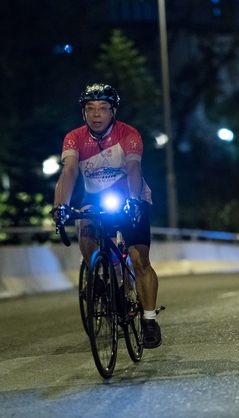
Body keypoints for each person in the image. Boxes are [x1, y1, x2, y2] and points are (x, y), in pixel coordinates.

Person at [52, 83, 162, 348]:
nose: (96, 114)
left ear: (113, 111)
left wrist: (134, 200)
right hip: (95, 196)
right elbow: (69, 172)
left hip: (130, 195)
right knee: (84, 222)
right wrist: (60, 206)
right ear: (83, 113)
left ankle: (148, 320)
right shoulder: (74, 137)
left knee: (138, 258)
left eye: (103, 109)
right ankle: (98, 275)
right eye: (90, 109)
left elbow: (134, 168)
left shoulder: (128, 134)